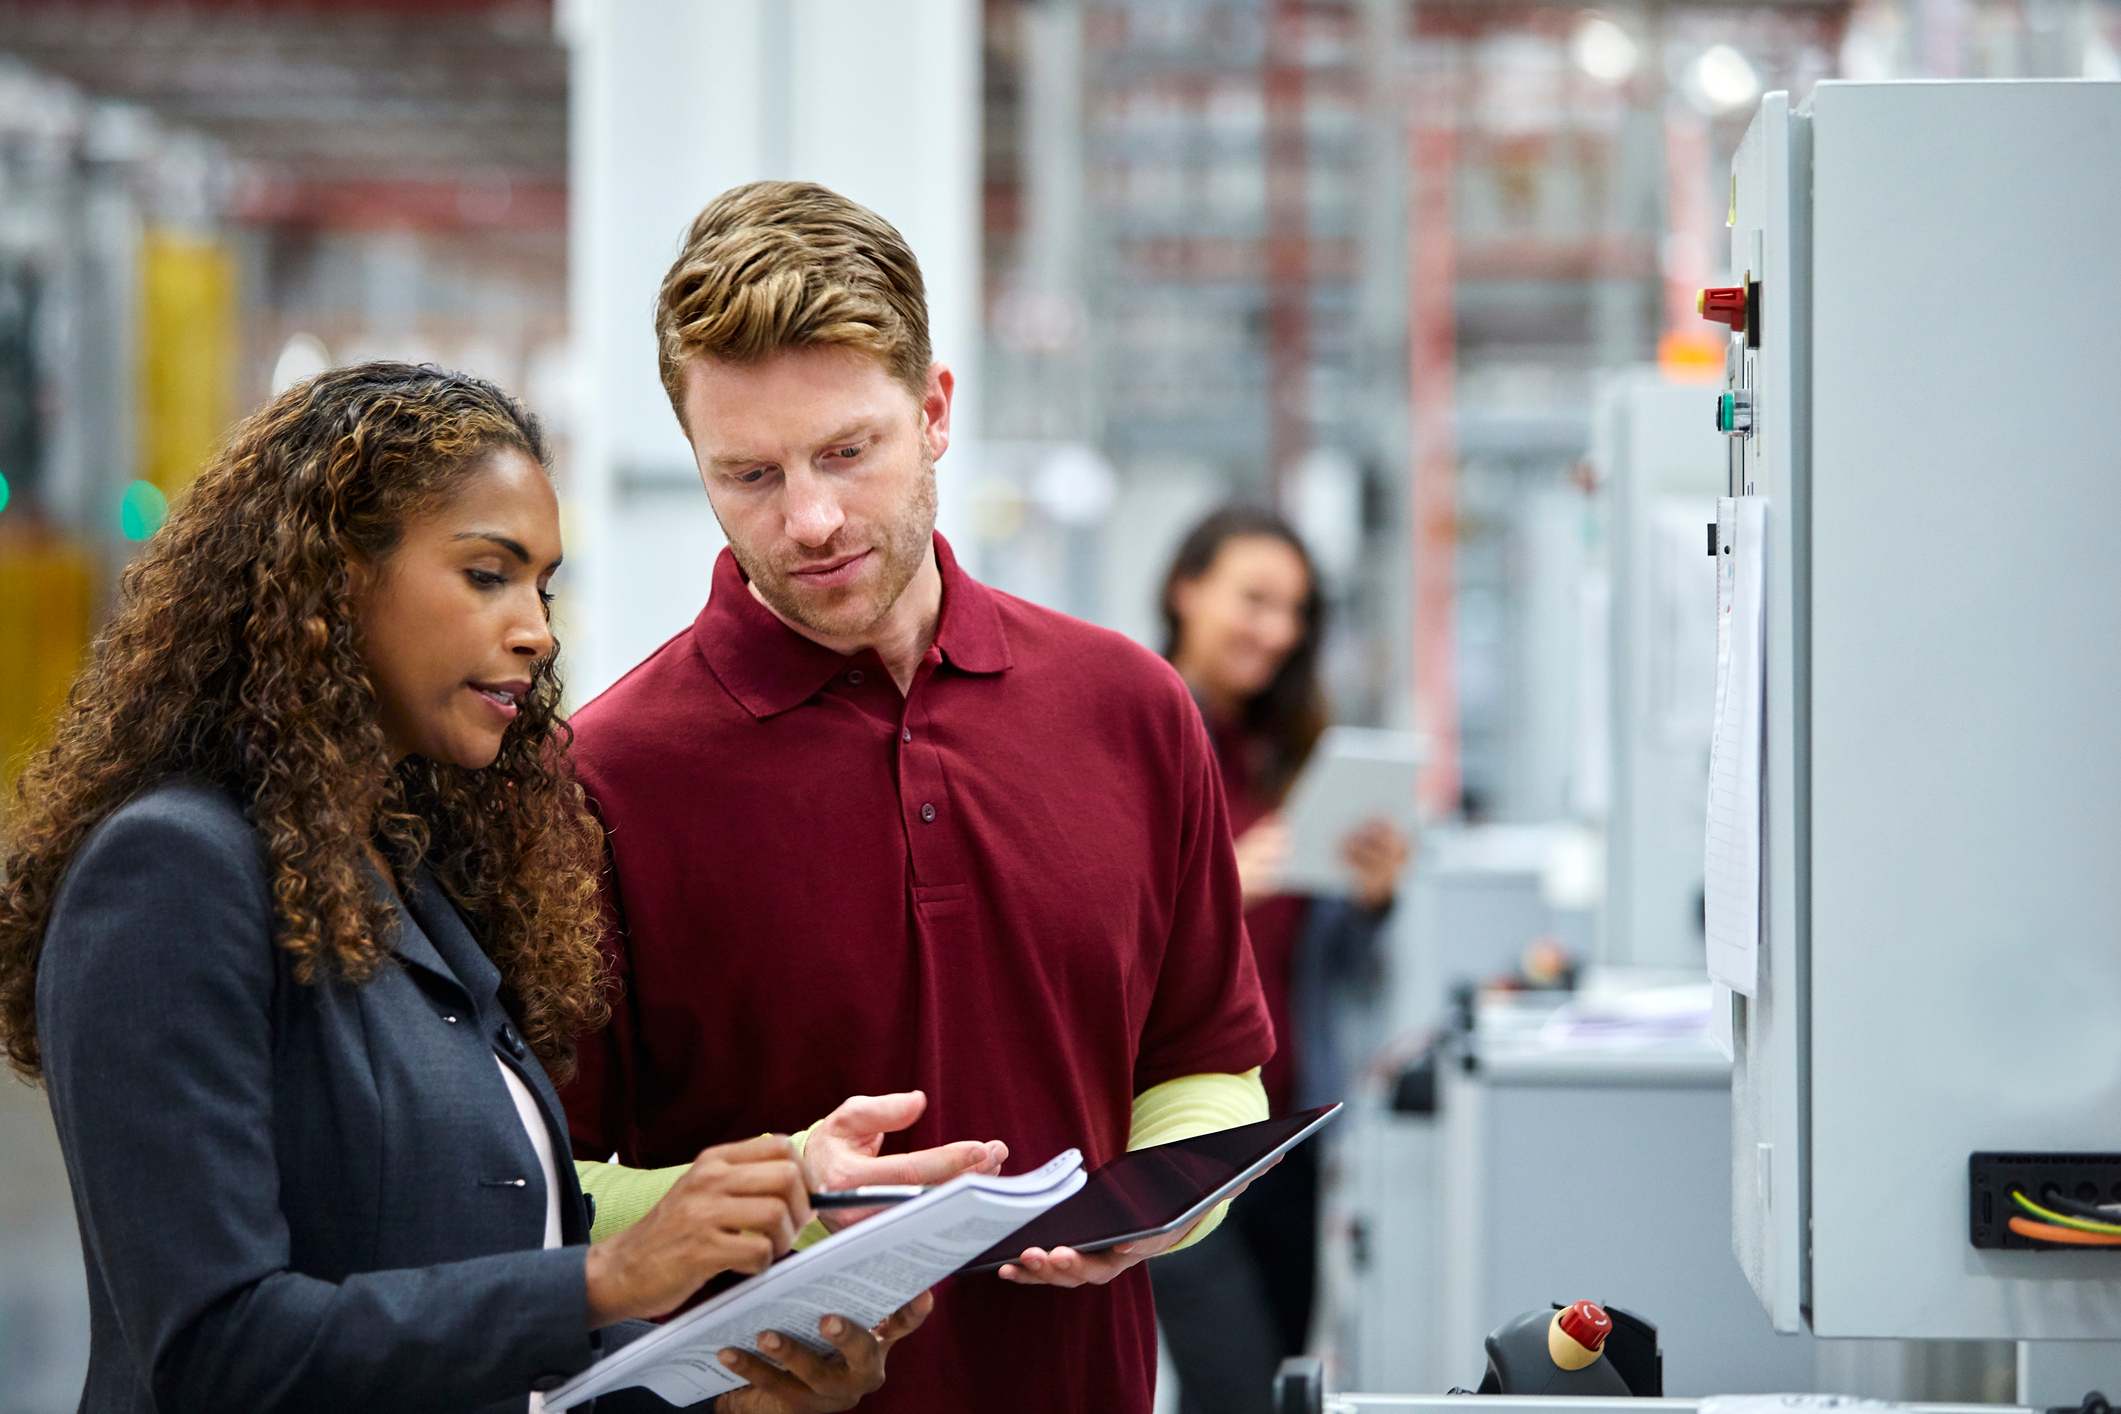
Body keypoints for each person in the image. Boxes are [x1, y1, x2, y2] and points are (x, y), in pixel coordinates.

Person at [0, 363, 928, 1414]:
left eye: (542, 583)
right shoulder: (174, 874)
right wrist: (606, 1277)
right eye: (489, 574)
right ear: (334, 578)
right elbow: (215, 1349)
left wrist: (728, 1398)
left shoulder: (416, 883)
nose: (536, 627)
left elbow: (495, 1332)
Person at [557, 180, 1277, 1414]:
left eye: (848, 452)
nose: (812, 520)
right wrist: (779, 1193)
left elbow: (1208, 1065)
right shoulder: (605, 776)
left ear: (934, 411)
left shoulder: (1132, 711)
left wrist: (1153, 1209)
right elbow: (537, 1184)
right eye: (750, 475)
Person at [1148, 504, 1412, 1414]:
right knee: (1234, 1390)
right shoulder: (1135, 727)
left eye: (1293, 610)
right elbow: (1094, 923)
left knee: (1284, 1386)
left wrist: (1371, 896)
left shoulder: (1284, 752)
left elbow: (1326, 957)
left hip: (1287, 1129)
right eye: (1253, 599)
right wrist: (1225, 883)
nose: (1275, 630)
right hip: (1178, 1130)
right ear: (1186, 590)